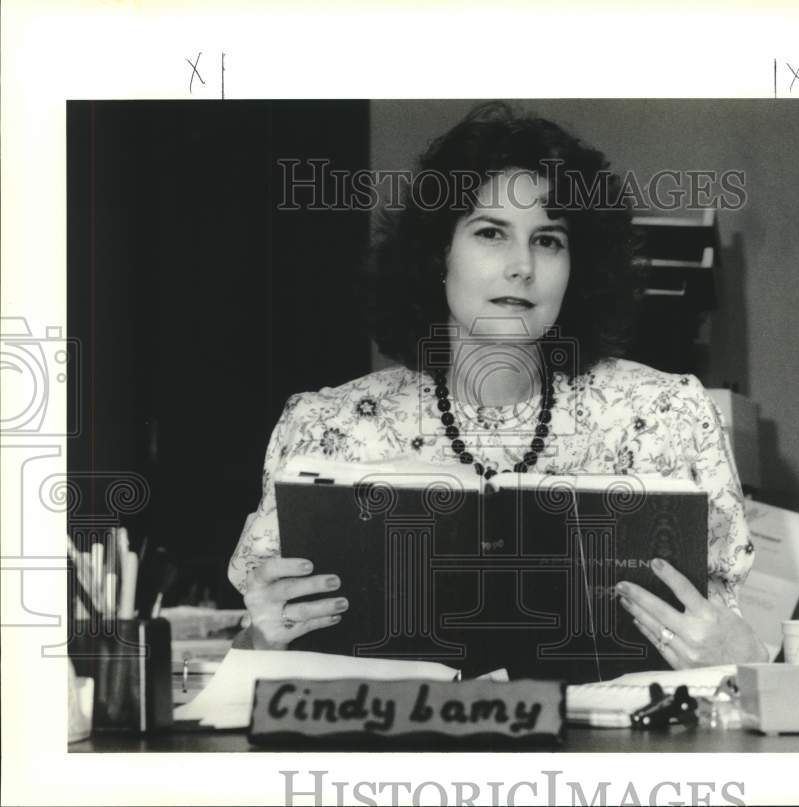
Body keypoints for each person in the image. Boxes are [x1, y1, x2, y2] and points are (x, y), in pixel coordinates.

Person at [228, 102, 768, 667]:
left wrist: (747, 659)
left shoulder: (670, 413)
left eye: (549, 240)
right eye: (491, 233)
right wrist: (256, 642)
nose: (522, 266)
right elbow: (254, 673)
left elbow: (732, 664)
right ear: (439, 255)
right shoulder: (325, 425)